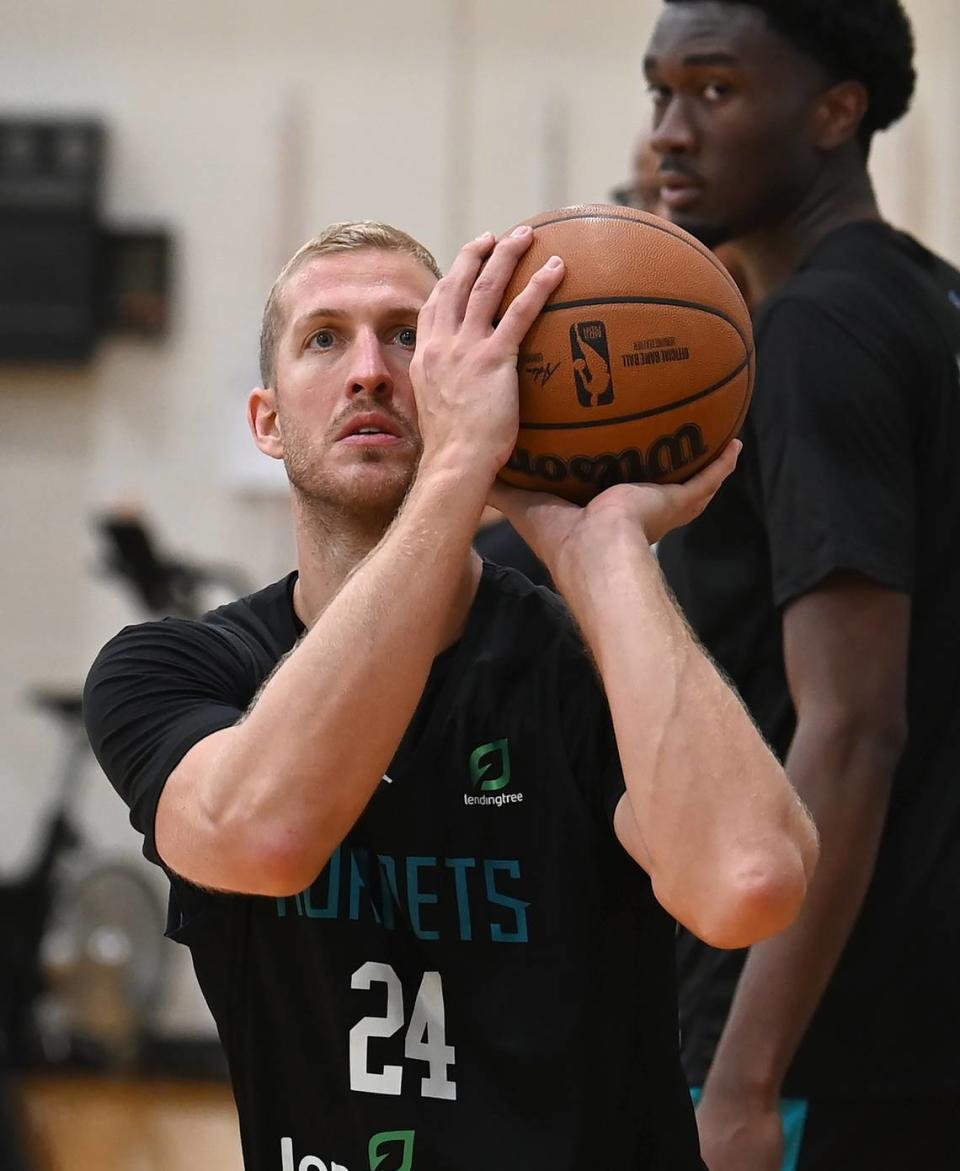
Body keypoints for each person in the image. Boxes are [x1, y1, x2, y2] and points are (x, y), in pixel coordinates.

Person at [83, 219, 816, 1171]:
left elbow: (747, 884)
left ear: (465, 377)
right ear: (266, 420)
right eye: (323, 338)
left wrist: (603, 550)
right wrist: (460, 468)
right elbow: (265, 833)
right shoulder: (174, 669)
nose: (369, 372)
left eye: (405, 335)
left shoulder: (588, 659)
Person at [644, 2, 960, 1169]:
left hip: (829, 1042)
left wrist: (743, 1078)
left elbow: (854, 725)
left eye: (715, 90)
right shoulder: (930, 298)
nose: (672, 131)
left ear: (838, 110)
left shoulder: (817, 333)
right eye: (660, 91)